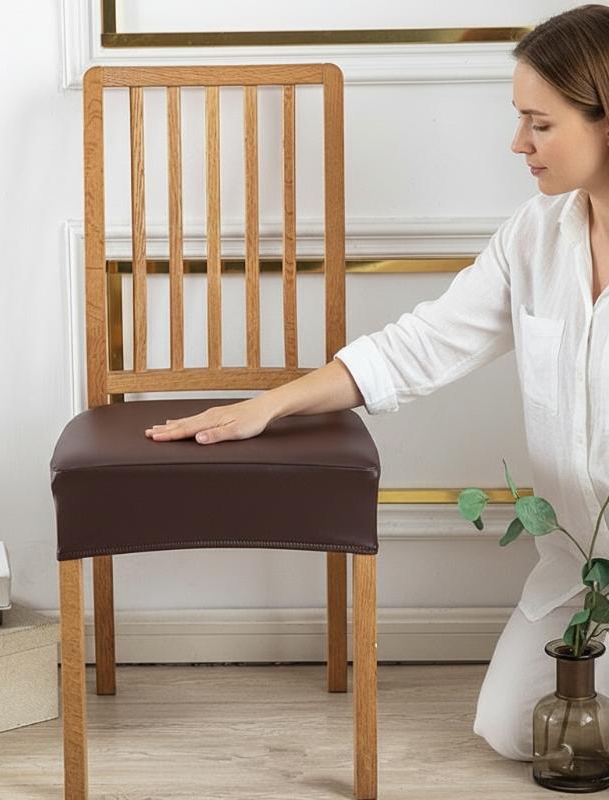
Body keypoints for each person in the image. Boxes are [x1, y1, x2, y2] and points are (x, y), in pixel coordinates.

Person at [143, 4, 609, 761]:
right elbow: (420, 345)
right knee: (513, 730)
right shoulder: (535, 235)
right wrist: (268, 406)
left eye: (540, 123)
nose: (517, 142)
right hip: (577, 568)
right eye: (519, 118)